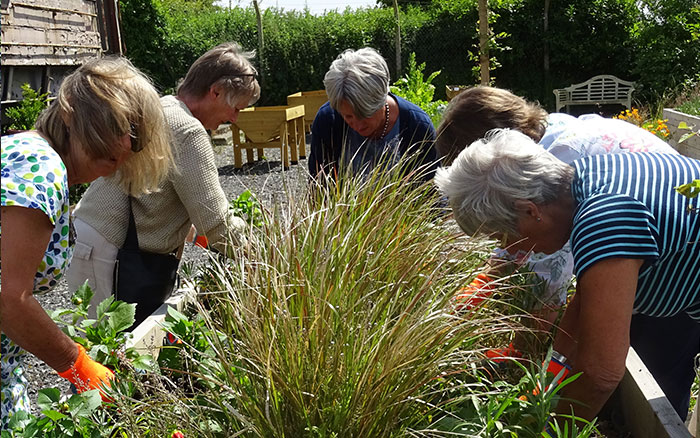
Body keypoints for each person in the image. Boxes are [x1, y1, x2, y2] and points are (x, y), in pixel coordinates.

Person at [435, 128, 700, 422]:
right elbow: (589, 298)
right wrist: (545, 383)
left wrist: (550, 430)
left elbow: (601, 373)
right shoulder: (587, 175)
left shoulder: (604, 221)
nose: (509, 249)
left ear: (530, 211)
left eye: (503, 236)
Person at [0, 57, 174, 427]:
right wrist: (76, 364)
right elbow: (7, 296)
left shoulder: (21, 149)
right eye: (107, 159)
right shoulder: (42, 168)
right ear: (73, 119)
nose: (109, 170)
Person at [67, 42, 260, 325]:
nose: (234, 119)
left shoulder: (165, 106)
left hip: (97, 244)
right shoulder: (189, 130)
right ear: (215, 91)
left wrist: (192, 234)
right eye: (236, 108)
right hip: (110, 252)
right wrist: (260, 256)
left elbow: (162, 194)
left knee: (110, 346)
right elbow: (214, 220)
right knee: (108, 351)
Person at [308, 47, 438, 182]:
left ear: (382, 99)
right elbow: (318, 187)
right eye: (348, 116)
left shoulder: (417, 126)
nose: (357, 125)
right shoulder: (328, 121)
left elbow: (429, 192)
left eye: (365, 115)